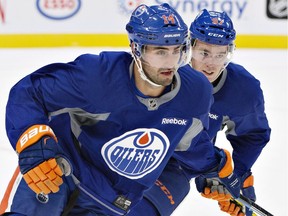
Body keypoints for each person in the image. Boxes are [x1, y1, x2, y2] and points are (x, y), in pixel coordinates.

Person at [0, 3, 241, 216]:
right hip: (58, 173)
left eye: (176, 50)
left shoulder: (194, 92)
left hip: (108, 204)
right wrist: (32, 140)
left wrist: (216, 169)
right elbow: (30, 92)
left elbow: (190, 143)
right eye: (160, 52)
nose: (170, 62)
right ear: (136, 49)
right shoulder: (97, 76)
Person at [131, 9, 271, 216]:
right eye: (204, 53)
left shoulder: (242, 89)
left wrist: (236, 175)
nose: (212, 64)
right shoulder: (163, 73)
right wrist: (210, 165)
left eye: (220, 54)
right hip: (135, 150)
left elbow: (252, 135)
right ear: (189, 48)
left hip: (178, 166)